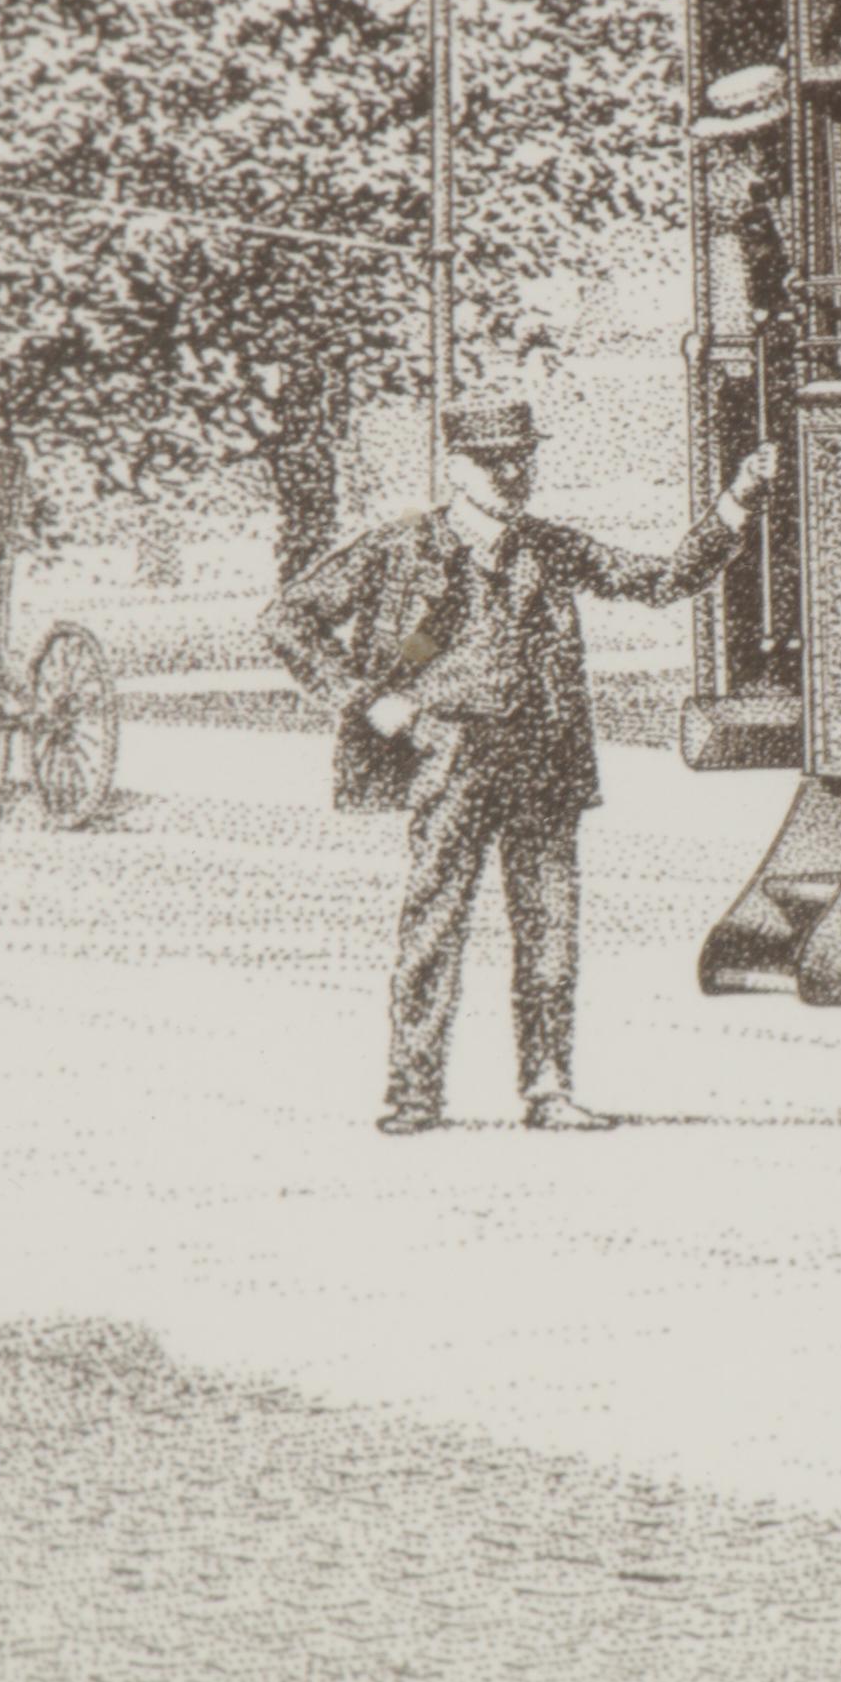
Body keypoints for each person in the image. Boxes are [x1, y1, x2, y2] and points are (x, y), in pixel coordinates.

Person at [263, 396, 780, 1134]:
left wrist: (736, 501)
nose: (512, 473)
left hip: (544, 759)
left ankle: (548, 1089)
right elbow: (286, 619)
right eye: (493, 461)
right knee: (434, 927)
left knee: (550, 933)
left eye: (521, 458)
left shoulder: (551, 546)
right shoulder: (398, 548)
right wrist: (363, 701)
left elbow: (662, 581)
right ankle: (414, 1094)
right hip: (449, 759)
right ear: (456, 467)